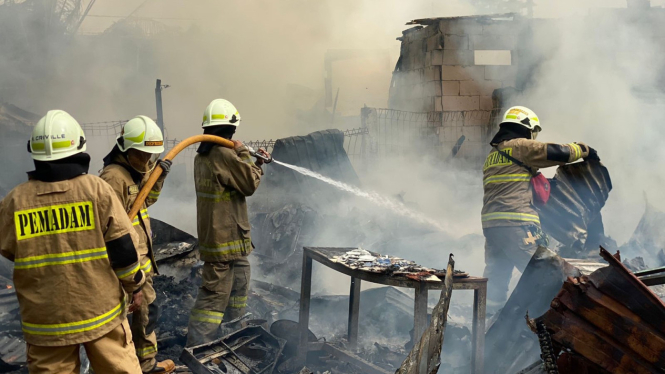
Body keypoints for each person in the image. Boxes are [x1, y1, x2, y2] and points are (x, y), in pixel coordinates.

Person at [0, 110, 146, 373]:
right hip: (100, 313)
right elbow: (123, 249)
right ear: (79, 148)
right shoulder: (96, 189)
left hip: (45, 321)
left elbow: (9, 250)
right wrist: (135, 286)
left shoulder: (14, 201)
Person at [481, 106, 599, 308]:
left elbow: (513, 184)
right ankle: (544, 323)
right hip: (517, 223)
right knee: (545, 273)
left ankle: (490, 322)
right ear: (527, 128)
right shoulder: (519, 146)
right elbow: (557, 152)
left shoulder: (493, 155)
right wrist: (584, 149)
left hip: (493, 226)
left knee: (496, 279)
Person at [186, 99, 269, 347]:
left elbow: (238, 180)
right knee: (214, 298)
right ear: (231, 128)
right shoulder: (222, 153)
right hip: (224, 241)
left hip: (230, 238)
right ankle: (197, 346)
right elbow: (249, 184)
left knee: (239, 287)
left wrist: (256, 163)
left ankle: (232, 334)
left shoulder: (206, 153)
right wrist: (244, 153)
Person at [99, 115, 175, 373]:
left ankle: (146, 365)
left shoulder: (133, 173)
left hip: (140, 259)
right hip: (127, 264)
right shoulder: (113, 178)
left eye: (150, 156)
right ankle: (136, 366)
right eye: (142, 154)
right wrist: (129, 274)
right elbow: (112, 230)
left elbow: (145, 201)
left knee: (146, 316)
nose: (147, 161)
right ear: (125, 149)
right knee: (125, 322)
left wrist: (159, 176)